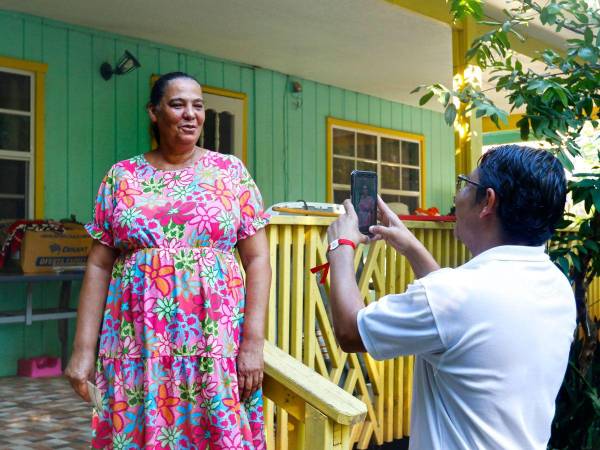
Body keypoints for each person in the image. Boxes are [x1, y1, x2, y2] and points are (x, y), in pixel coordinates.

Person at [64, 72, 271, 449]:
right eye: (178, 104)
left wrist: (253, 342)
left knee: (218, 432)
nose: (190, 114)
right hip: (137, 343)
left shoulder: (230, 173)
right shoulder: (121, 177)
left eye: (198, 105)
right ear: (154, 112)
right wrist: (82, 349)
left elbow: (257, 259)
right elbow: (98, 264)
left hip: (213, 341)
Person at [325, 145, 576, 450]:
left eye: (465, 185)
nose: (456, 198)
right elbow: (454, 317)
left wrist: (341, 245)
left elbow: (352, 331)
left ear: (488, 202)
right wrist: (411, 247)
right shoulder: (557, 285)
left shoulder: (456, 295)